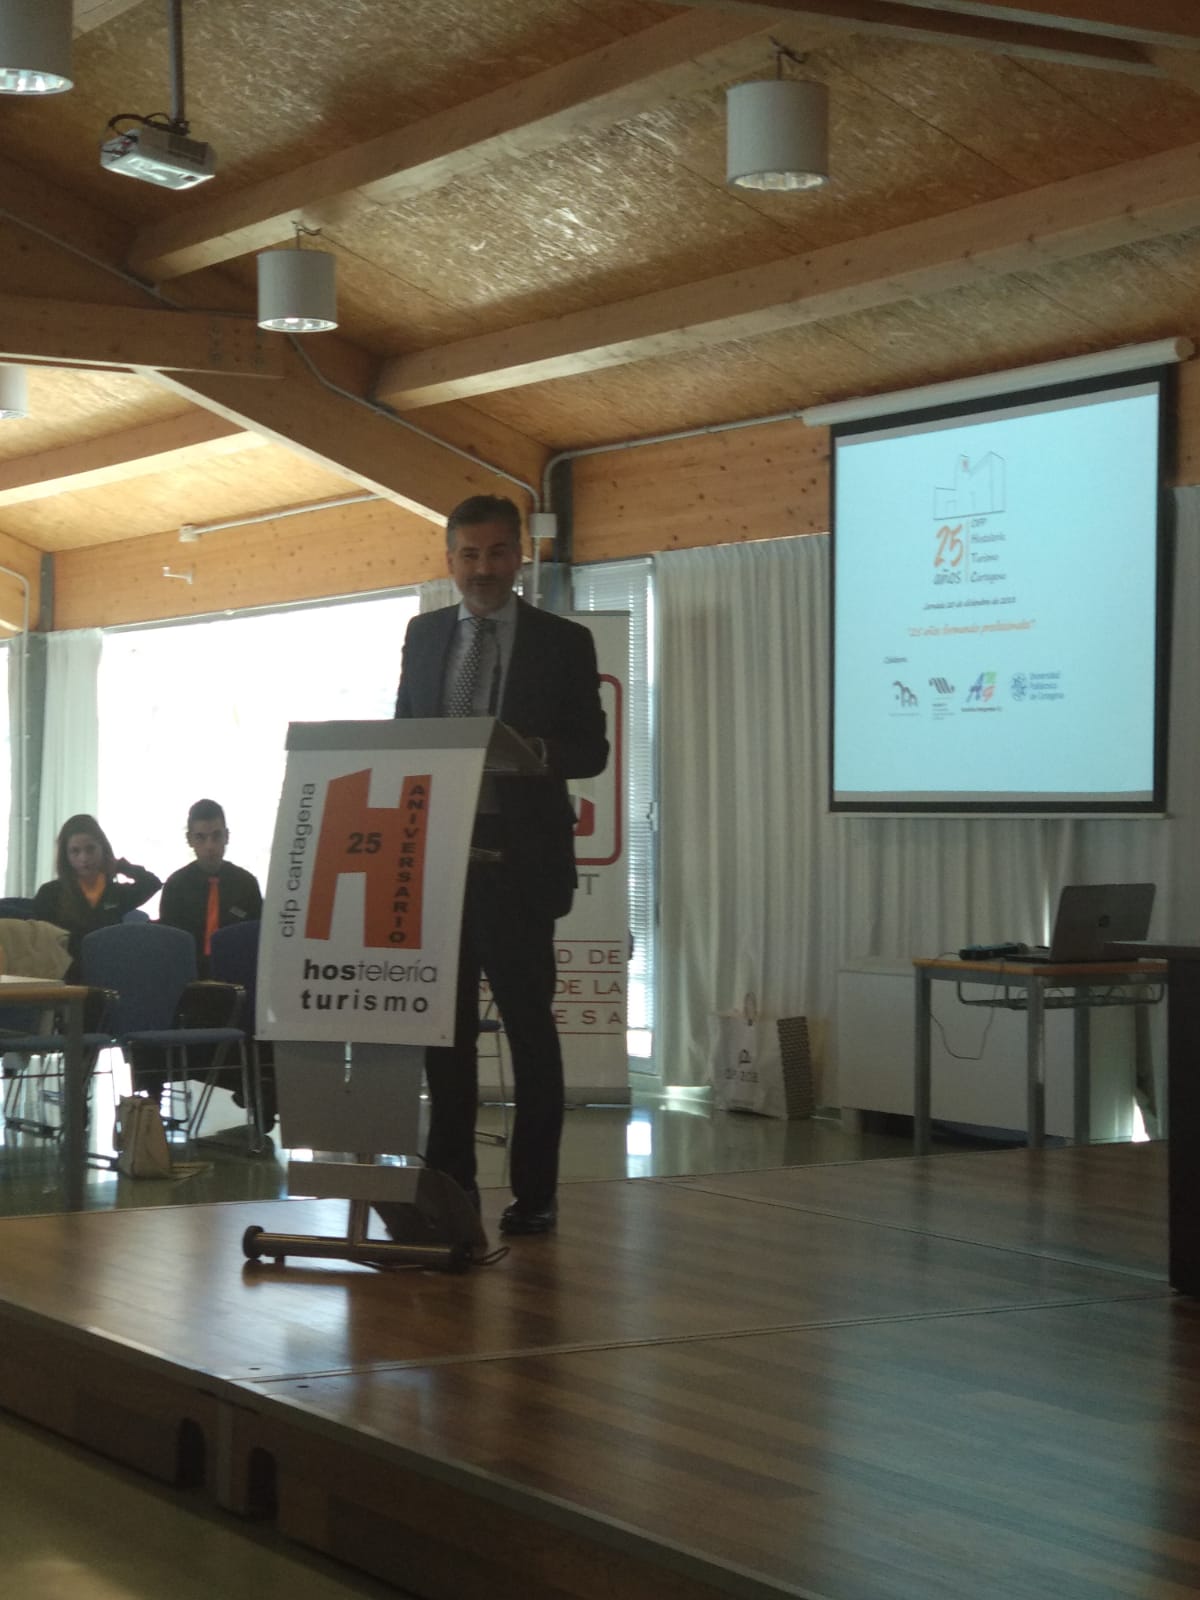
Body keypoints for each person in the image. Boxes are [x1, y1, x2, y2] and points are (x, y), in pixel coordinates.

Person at [394, 494, 608, 1236]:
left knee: (529, 1033)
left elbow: (592, 749)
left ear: (518, 557)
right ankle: (449, 1184)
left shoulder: (562, 641)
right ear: (449, 561)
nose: (482, 569)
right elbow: (404, 730)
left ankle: (536, 1193)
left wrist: (534, 752)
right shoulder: (424, 635)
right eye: (468, 555)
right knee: (443, 1034)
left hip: (520, 863)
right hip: (438, 861)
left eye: (495, 553)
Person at [32, 814, 161, 975]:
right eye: (75, 851)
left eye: (90, 849)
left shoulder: (115, 892)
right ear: (66, 856)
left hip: (109, 971)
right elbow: (40, 944)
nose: (84, 858)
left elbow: (152, 883)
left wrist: (121, 866)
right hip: (66, 974)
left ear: (102, 849)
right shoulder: (50, 893)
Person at [159, 799, 262, 977]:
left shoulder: (246, 884)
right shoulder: (175, 886)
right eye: (201, 837)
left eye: (216, 836)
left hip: (237, 973)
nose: (210, 846)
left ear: (227, 836)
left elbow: (257, 939)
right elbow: (169, 944)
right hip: (188, 975)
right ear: (190, 839)